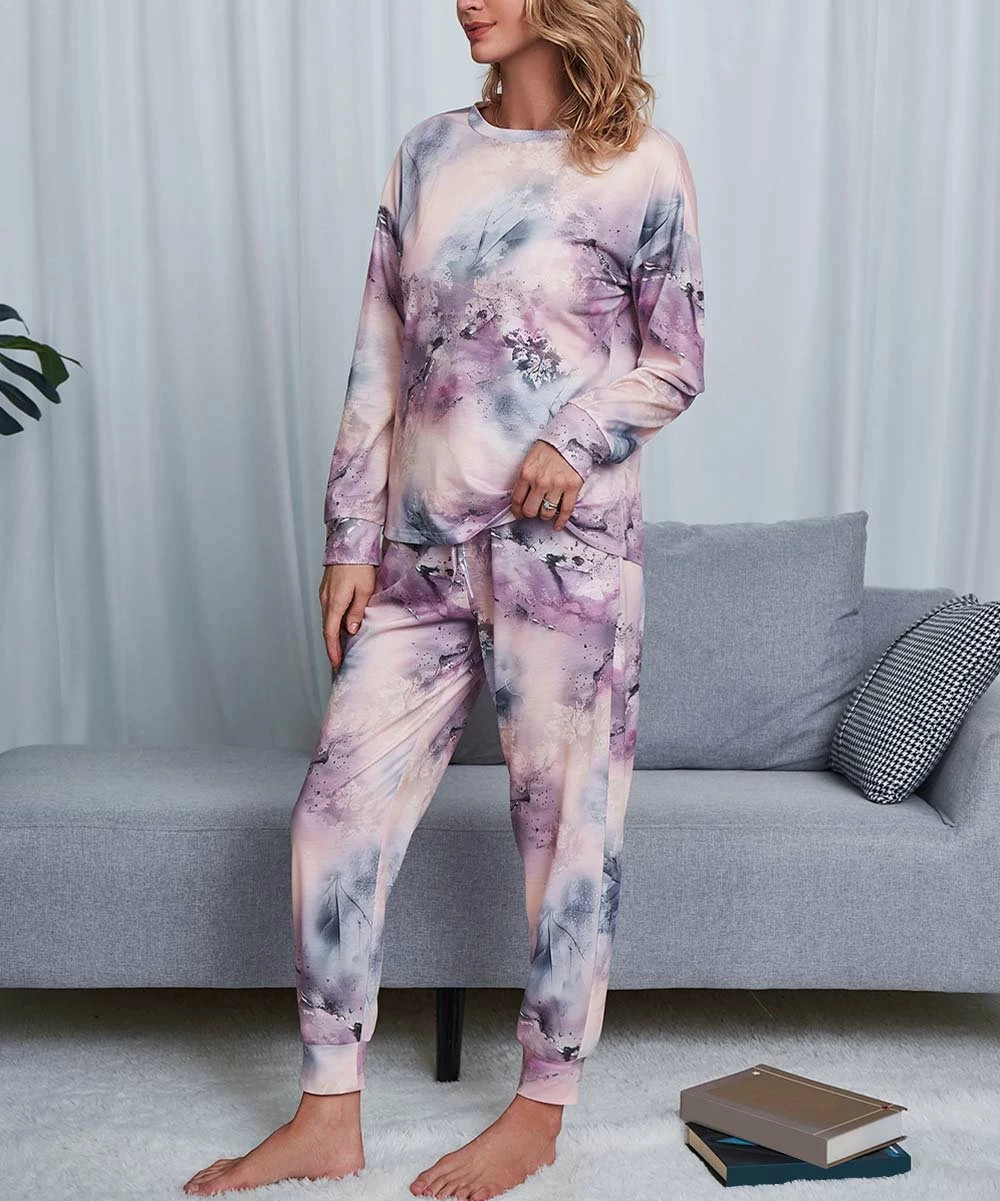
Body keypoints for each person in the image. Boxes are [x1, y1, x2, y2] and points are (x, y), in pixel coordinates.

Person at [183, 0, 704, 1196]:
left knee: (566, 836)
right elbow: (380, 351)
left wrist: (574, 438)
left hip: (565, 559)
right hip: (416, 557)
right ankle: (327, 1110)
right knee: (334, 815)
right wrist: (349, 536)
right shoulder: (427, 152)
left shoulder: (641, 166)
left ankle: (540, 1107)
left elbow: (676, 358)